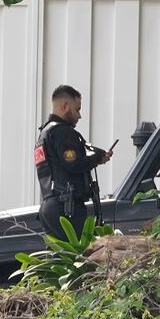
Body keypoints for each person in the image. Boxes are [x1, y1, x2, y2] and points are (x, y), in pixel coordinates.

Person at [34, 85, 112, 239]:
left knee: (58, 257)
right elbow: (74, 163)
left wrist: (97, 156)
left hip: (50, 206)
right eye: (77, 109)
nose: (79, 115)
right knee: (78, 256)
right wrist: (97, 159)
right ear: (64, 106)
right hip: (67, 208)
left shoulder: (45, 133)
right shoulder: (62, 132)